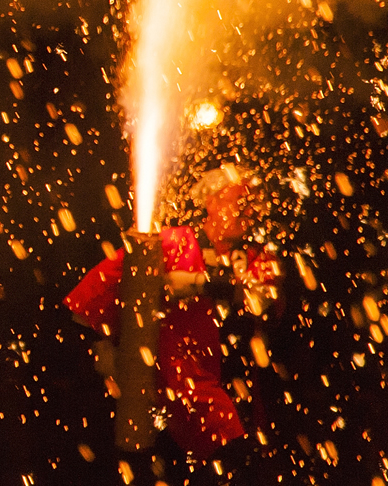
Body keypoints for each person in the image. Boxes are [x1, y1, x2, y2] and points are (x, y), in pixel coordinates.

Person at [62, 165, 269, 464]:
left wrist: (204, 284)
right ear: (212, 202)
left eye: (254, 203)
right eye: (240, 200)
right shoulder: (173, 244)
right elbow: (90, 296)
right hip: (182, 402)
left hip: (244, 398)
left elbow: (265, 301)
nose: (248, 210)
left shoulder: (257, 258)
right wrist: (105, 353)